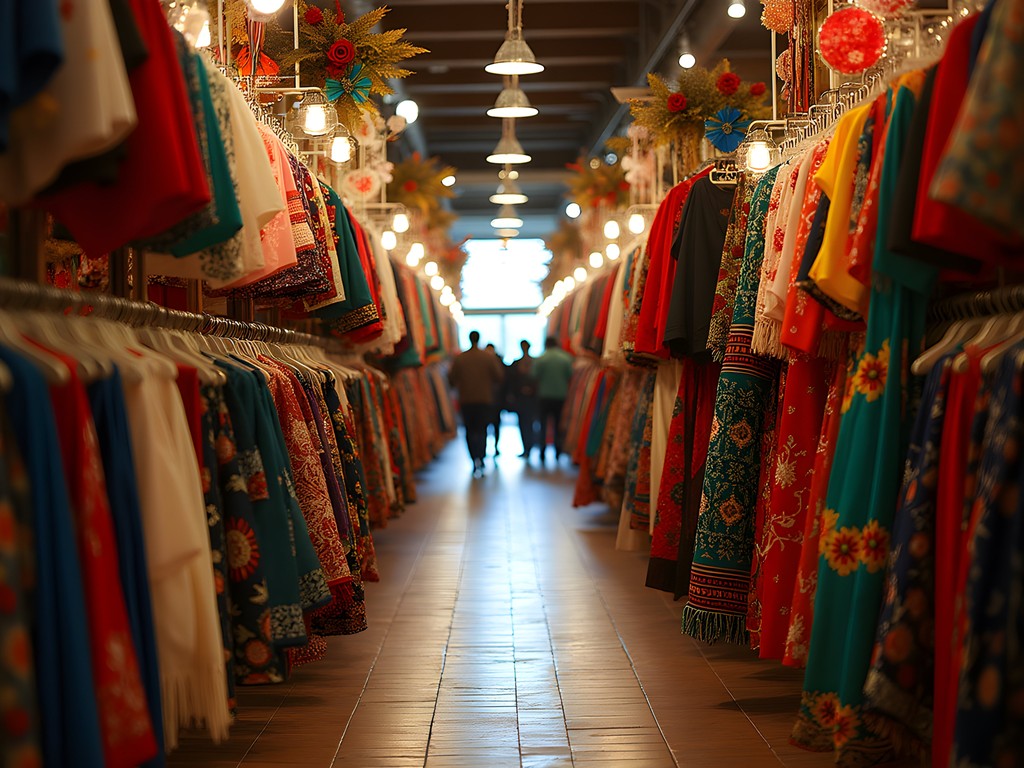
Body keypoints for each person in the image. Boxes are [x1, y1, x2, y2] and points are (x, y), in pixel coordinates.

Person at [448, 331, 505, 476]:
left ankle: (474, 458)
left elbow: (452, 379)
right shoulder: (488, 357)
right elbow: (499, 377)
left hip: (466, 399)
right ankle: (481, 457)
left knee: (469, 430)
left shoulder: (460, 358)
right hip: (484, 399)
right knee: (482, 429)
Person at [533, 335, 574, 462]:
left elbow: (534, 375)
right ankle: (558, 450)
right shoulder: (566, 358)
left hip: (544, 396)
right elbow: (570, 375)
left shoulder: (541, 359)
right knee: (558, 424)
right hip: (560, 396)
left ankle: (542, 451)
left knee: (543, 424)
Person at [508, 339, 540, 459]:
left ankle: (528, 448)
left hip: (529, 398)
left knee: (528, 423)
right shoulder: (520, 363)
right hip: (524, 398)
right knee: (525, 423)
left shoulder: (533, 363)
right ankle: (527, 448)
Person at [484, 343, 507, 457]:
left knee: (495, 424)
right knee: (488, 424)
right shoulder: (488, 361)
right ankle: (488, 448)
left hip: (493, 400)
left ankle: (494, 446)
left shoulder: (496, 361)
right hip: (488, 399)